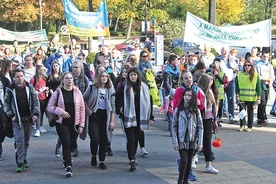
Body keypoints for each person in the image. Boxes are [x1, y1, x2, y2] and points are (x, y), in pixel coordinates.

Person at [47, 72, 85, 177]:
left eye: (71, 78)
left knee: (71, 143)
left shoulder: (77, 92)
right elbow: (50, 106)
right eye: (67, 78)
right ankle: (68, 166)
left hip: (74, 123)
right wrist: (60, 111)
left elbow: (82, 109)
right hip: (61, 123)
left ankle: (65, 159)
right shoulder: (58, 93)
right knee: (66, 143)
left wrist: (81, 125)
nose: (69, 80)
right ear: (62, 80)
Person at [115, 67, 153, 171]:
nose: (133, 77)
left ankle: (133, 156)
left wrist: (151, 116)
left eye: (135, 75)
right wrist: (119, 108)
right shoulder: (124, 86)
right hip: (127, 116)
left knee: (136, 138)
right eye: (131, 75)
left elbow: (149, 101)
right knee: (130, 138)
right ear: (128, 76)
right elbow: (117, 97)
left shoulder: (144, 87)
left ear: (138, 76)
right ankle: (131, 160)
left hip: (140, 116)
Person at [4, 67, 39, 172]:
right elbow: (6, 104)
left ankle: (23, 159)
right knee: (20, 140)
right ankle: (19, 162)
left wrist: (36, 113)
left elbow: (35, 101)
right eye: (17, 76)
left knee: (26, 141)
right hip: (17, 119)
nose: (20, 78)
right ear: (14, 78)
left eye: (21, 76)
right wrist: (11, 115)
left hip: (28, 118)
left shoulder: (29, 87)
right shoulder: (10, 89)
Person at [83, 70, 115, 170]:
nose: (104, 78)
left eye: (106, 76)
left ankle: (102, 161)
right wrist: (89, 111)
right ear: (99, 77)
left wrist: (112, 121)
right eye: (102, 76)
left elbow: (113, 106)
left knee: (104, 139)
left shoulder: (110, 90)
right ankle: (93, 155)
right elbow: (83, 99)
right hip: (94, 114)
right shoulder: (92, 87)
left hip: (105, 116)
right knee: (95, 138)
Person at [172, 88, 203, 184]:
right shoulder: (178, 109)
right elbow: (174, 126)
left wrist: (200, 142)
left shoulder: (196, 110)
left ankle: (185, 180)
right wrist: (175, 141)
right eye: (185, 95)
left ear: (193, 97)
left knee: (189, 161)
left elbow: (200, 127)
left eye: (189, 95)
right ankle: (180, 180)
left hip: (192, 139)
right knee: (184, 160)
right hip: (182, 139)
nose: (187, 97)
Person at [197, 74, 219, 174]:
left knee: (207, 140)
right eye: (210, 80)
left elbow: (213, 107)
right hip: (200, 119)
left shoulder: (210, 92)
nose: (212, 82)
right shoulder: (198, 92)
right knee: (196, 138)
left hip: (208, 119)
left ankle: (208, 164)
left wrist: (215, 120)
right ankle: (193, 158)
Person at [236, 61, 261, 132]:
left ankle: (249, 126)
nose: (247, 67)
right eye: (245, 65)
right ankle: (242, 125)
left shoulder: (255, 75)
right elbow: (237, 86)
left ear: (251, 67)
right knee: (242, 112)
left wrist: (258, 98)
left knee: (250, 113)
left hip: (251, 97)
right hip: (242, 97)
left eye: (249, 65)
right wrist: (237, 95)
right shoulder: (240, 75)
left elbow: (258, 87)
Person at [219, 46, 239, 123]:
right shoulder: (218, 60)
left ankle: (231, 117)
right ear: (221, 52)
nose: (225, 52)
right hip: (220, 82)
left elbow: (238, 71)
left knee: (231, 99)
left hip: (231, 82)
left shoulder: (233, 60)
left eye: (226, 51)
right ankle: (219, 116)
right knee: (220, 100)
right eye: (223, 51)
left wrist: (234, 67)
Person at [254, 51, 274, 125]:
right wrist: (266, 79)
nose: (265, 58)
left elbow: (272, 76)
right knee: (262, 101)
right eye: (264, 56)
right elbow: (257, 76)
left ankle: (262, 116)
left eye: (267, 56)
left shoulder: (269, 65)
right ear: (262, 56)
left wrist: (270, 82)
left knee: (265, 102)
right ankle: (261, 117)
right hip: (260, 84)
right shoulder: (258, 64)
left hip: (267, 85)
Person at [30, 65, 48, 137]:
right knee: (38, 113)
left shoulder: (45, 78)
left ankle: (40, 125)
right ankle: (37, 129)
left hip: (43, 98)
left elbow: (47, 86)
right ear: (39, 71)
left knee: (42, 112)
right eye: (43, 69)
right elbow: (30, 88)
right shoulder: (33, 79)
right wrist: (36, 92)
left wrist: (46, 88)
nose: (44, 71)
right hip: (36, 99)